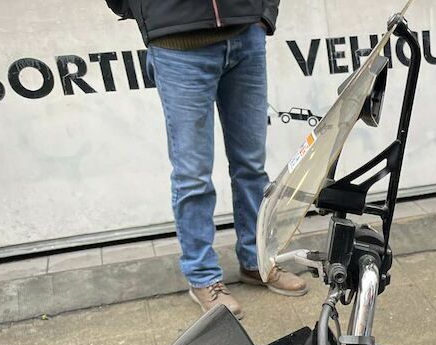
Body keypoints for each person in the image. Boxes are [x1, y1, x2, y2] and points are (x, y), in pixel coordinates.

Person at [105, 0, 307, 320]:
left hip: (246, 33)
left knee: (251, 167)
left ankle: (256, 261)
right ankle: (203, 277)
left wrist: (264, 13)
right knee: (193, 175)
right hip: (177, 44)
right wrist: (149, 14)